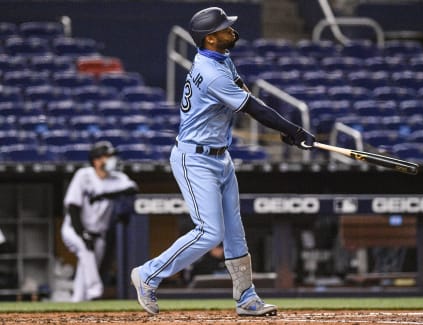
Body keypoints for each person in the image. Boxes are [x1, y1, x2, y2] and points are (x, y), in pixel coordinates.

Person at [130, 6, 315, 317]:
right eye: (225, 29)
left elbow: (244, 92)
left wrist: (284, 131)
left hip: (220, 157)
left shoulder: (222, 60)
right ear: (210, 39)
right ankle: (148, 274)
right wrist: (292, 130)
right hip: (195, 158)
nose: (232, 31)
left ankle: (246, 298)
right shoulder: (211, 72)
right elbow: (251, 107)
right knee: (209, 232)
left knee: (234, 231)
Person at [61, 141, 138, 302]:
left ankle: (78, 300)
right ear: (96, 160)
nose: (111, 159)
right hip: (74, 228)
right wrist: (82, 233)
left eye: (111, 156)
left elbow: (132, 189)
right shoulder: (83, 175)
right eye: (107, 156)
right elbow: (72, 206)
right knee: (86, 251)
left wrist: (105, 195)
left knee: (88, 265)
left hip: (98, 234)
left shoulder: (119, 178)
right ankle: (95, 292)